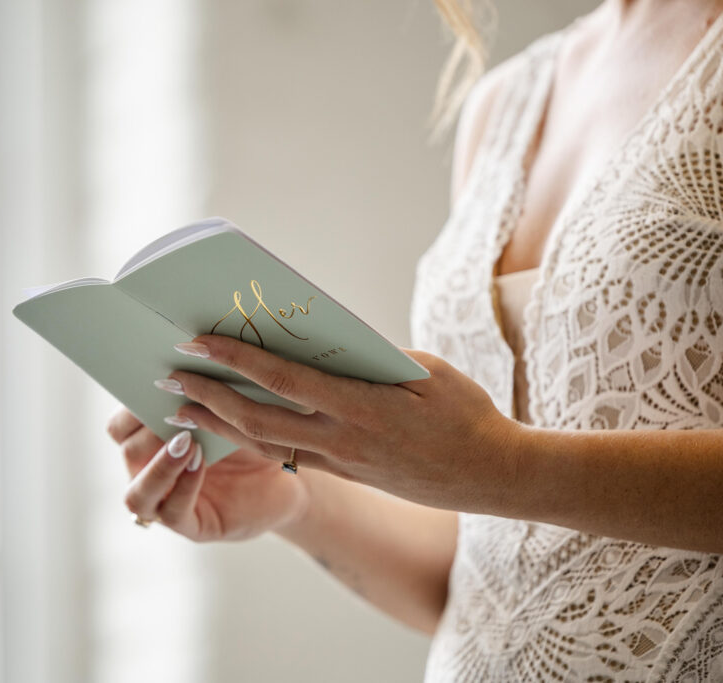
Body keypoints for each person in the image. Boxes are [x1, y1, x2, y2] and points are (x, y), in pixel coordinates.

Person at [105, 0, 723, 679]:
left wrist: (505, 464)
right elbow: (492, 574)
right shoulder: (507, 105)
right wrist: (296, 494)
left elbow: (504, 474)